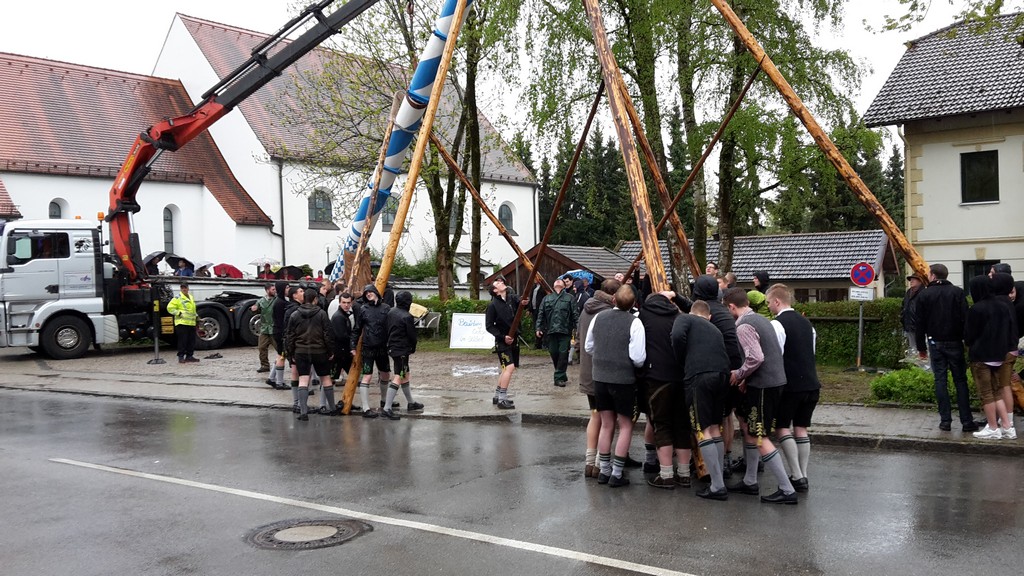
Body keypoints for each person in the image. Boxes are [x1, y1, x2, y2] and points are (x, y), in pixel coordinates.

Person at [722, 287, 797, 504]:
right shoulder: (761, 319)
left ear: (731, 307)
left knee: (758, 435)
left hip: (765, 385)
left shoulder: (743, 326)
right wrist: (747, 379)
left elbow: (755, 357)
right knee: (749, 429)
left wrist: (739, 373)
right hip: (772, 382)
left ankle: (787, 488)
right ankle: (750, 480)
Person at [585, 284, 646, 487]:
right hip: (623, 379)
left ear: (613, 300)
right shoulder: (635, 323)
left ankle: (604, 470)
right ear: (634, 304)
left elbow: (588, 346)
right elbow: (638, 358)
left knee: (607, 423)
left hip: (600, 377)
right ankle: (617, 473)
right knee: (626, 425)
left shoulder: (598, 318)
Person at [671, 299, 731, 500]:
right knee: (715, 427)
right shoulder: (715, 329)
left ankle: (717, 486)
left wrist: (682, 359)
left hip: (699, 376)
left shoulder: (685, 318)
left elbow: (677, 336)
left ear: (692, 311)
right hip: (722, 375)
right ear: (709, 315)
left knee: (701, 428)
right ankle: (719, 478)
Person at [766, 284, 820, 493]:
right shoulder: (808, 324)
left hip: (790, 385)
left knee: (781, 427)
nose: (769, 306)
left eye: (769, 302)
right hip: (811, 383)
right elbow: (811, 352)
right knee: (801, 428)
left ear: (777, 301)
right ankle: (803, 474)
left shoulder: (777, 324)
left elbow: (776, 355)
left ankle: (796, 475)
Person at [638, 290, 692, 490]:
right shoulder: (680, 317)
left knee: (661, 425)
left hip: (656, 378)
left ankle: (666, 474)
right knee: (682, 424)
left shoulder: (642, 316)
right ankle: (685, 474)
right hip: (680, 377)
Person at [915, 263, 977, 432]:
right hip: (955, 342)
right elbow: (966, 318)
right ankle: (966, 421)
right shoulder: (957, 292)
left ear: (933, 276)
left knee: (940, 380)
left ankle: (945, 421)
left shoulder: (925, 295)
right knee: (960, 381)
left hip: (935, 342)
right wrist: (967, 342)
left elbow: (919, 323)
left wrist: (921, 347)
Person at [964, 274, 1017, 439]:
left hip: (981, 356)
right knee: (997, 391)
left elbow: (969, 335)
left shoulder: (977, 309)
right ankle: (1007, 427)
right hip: (999, 356)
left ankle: (993, 427)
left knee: (986, 394)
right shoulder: (1003, 305)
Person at [578, 278, 619, 478]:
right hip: (603, 374)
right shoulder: (607, 314)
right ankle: (600, 462)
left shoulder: (586, 309)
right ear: (614, 296)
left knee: (595, 416)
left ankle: (589, 460)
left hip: (587, 371)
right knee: (607, 420)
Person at [284, 288, 336, 421]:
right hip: (319, 351)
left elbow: (290, 336)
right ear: (315, 300)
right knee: (325, 378)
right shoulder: (322, 314)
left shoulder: (295, 315)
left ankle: (303, 411)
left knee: (303, 379)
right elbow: (327, 334)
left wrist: (290, 354)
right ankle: (332, 408)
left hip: (301, 351)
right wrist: (330, 351)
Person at [382, 291, 425, 419]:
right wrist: (413, 347)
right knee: (399, 376)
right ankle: (387, 408)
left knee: (405, 374)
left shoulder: (390, 312)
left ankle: (411, 403)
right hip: (402, 349)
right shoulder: (407, 316)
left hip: (392, 347)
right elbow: (412, 335)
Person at [352, 283, 392, 418]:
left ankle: (384, 399)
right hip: (368, 347)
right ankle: (365, 408)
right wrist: (353, 346)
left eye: (370, 292)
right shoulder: (363, 309)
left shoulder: (386, 308)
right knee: (367, 376)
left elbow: (391, 327)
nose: (368, 294)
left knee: (385, 374)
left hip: (382, 347)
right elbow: (357, 329)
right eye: (366, 293)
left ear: (376, 292)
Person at [485, 276, 525, 410]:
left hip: (514, 339)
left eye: (502, 281)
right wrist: (503, 337)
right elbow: (489, 326)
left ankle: (497, 395)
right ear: (495, 291)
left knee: (506, 368)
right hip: (502, 341)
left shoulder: (511, 298)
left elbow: (522, 302)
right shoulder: (492, 305)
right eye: (498, 283)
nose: (501, 282)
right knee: (509, 367)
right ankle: (502, 398)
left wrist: (524, 302)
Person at [536, 276, 579, 387]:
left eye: (561, 281)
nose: (558, 281)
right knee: (554, 353)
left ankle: (559, 377)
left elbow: (575, 314)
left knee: (563, 354)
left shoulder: (570, 298)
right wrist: (538, 328)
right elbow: (540, 314)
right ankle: (561, 374)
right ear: (553, 285)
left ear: (564, 286)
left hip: (565, 331)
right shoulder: (547, 298)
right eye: (556, 280)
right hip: (550, 331)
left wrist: (577, 328)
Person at [250, 283, 284, 388]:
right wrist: (253, 309)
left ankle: (284, 363)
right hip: (265, 328)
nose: (274, 291)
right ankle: (264, 365)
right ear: (267, 290)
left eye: (275, 289)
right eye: (272, 289)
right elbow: (255, 310)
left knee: (280, 349)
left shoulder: (277, 300)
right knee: (262, 347)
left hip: (274, 327)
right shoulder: (261, 301)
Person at [166, 282, 198, 364]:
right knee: (182, 341)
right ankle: (181, 357)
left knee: (191, 341)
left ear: (188, 288)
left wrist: (197, 317)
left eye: (185, 287)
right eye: (182, 288)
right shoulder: (177, 298)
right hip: (182, 323)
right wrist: (179, 313)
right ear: (180, 289)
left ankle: (189, 356)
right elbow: (169, 308)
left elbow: (192, 310)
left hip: (191, 323)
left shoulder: (190, 297)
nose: (184, 289)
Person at [330, 292, 356, 385]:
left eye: (348, 303)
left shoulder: (343, 315)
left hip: (343, 351)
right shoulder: (339, 317)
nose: (346, 305)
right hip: (339, 352)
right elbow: (341, 336)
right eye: (344, 302)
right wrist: (353, 341)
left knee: (332, 378)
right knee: (330, 378)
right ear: (340, 303)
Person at [901, 274, 925, 358]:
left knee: (921, 348)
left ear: (920, 281)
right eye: (910, 280)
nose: (911, 281)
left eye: (914, 279)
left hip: (919, 325)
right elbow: (904, 306)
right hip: (908, 324)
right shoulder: (908, 292)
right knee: (912, 348)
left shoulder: (923, 292)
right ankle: (914, 365)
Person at [528, 276, 547, 349]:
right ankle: (537, 343)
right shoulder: (534, 287)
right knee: (535, 326)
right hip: (534, 309)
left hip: (540, 309)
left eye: (536, 279)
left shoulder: (543, 288)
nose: (535, 280)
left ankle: (543, 343)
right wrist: (530, 309)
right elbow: (531, 297)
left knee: (542, 326)